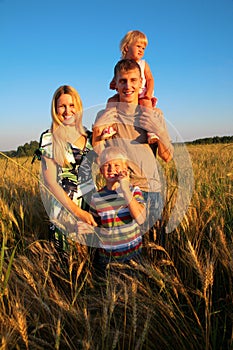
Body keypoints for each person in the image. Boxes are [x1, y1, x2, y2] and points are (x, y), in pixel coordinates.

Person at [92, 59, 173, 245]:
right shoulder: (106, 116)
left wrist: (159, 131)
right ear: (116, 83)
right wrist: (97, 129)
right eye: (123, 81)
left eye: (133, 80)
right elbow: (99, 157)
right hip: (122, 191)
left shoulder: (153, 114)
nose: (128, 86)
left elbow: (167, 157)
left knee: (155, 246)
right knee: (126, 248)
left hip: (153, 191)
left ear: (141, 83)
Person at [37, 85, 97, 252]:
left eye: (72, 106)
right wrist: (78, 213)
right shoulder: (49, 138)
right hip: (66, 209)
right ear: (55, 110)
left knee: (91, 259)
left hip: (91, 204)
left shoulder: (90, 136)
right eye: (62, 106)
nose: (67, 111)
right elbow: (51, 183)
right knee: (67, 259)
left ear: (78, 107)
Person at [89, 146, 146, 268]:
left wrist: (125, 189)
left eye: (116, 165)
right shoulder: (96, 197)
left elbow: (140, 218)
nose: (111, 169)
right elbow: (96, 225)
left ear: (125, 169)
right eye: (106, 165)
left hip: (133, 255)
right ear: (101, 170)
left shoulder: (133, 191)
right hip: (108, 258)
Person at [102, 30, 159, 144]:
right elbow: (117, 77)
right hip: (125, 94)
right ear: (127, 47)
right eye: (138, 46)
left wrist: (149, 93)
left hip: (142, 94)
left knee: (146, 105)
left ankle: (150, 131)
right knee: (111, 101)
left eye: (143, 48)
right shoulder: (121, 64)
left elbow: (150, 79)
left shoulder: (143, 64)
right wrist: (113, 82)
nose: (141, 50)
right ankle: (110, 126)